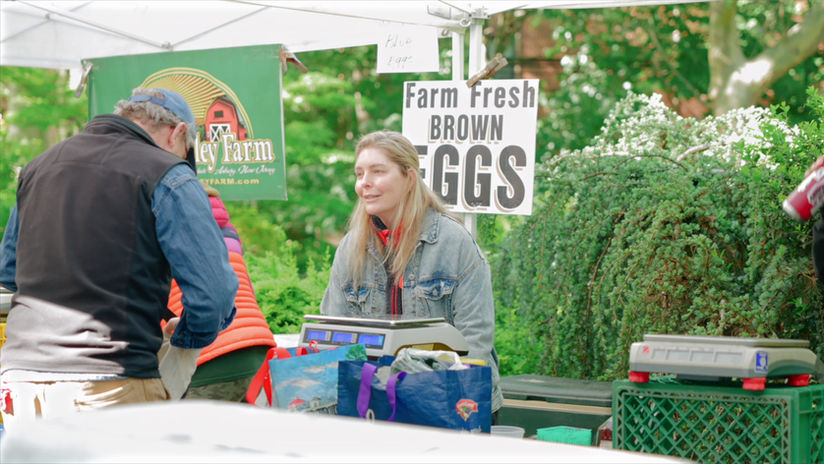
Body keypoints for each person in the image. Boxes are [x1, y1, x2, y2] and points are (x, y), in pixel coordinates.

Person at [0, 87, 238, 430]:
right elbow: (213, 295)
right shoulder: (170, 174)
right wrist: (186, 340)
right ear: (178, 132)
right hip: (110, 379)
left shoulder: (40, 167)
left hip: (22, 381)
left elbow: (9, 272)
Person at [319, 130, 503, 413]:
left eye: (378, 171)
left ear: (409, 178)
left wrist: (440, 407)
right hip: (378, 406)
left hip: (453, 405)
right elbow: (331, 338)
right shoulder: (350, 248)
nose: (364, 183)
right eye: (359, 173)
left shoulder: (454, 242)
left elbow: (475, 342)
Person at [164, 183, 276, 401]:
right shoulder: (229, 231)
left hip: (209, 358)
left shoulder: (167, 229)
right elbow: (246, 289)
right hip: (258, 349)